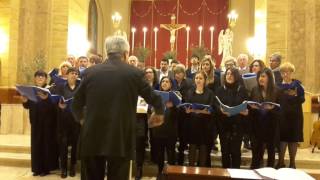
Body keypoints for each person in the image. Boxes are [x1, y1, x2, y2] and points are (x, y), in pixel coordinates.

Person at [71, 36, 164, 180]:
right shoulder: (134, 73)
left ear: (107, 52)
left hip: (92, 134)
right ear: (126, 53)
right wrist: (159, 113)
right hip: (120, 135)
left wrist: (83, 120)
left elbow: (76, 103)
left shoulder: (90, 72)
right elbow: (155, 98)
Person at [21, 70, 59, 176]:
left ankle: (45, 169)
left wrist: (46, 99)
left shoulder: (51, 89)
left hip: (48, 122)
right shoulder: (31, 90)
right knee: (36, 145)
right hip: (35, 121)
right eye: (38, 76)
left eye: (42, 76)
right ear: (35, 78)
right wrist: (24, 101)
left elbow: (55, 106)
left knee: (46, 145)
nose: (40, 78)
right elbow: (27, 106)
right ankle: (37, 168)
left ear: (46, 79)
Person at [215, 68, 248, 168]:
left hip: (237, 125)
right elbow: (216, 104)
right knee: (225, 152)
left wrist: (241, 111)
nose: (229, 76)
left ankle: (235, 174)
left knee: (235, 152)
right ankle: (225, 175)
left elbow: (245, 104)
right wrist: (221, 110)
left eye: (232, 74)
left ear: (236, 76)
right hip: (223, 125)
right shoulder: (220, 89)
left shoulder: (241, 89)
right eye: (227, 74)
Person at [249, 68, 281, 169]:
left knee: (271, 151)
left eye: (263, 76)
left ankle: (270, 172)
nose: (260, 79)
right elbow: (250, 104)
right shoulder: (255, 89)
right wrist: (252, 107)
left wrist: (271, 109)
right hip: (257, 125)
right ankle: (255, 170)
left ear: (269, 78)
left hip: (271, 125)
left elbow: (281, 110)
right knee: (256, 151)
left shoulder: (277, 91)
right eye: (259, 77)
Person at [52, 67, 81, 178]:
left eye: (76, 73)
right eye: (72, 73)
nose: (74, 75)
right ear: (67, 75)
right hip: (63, 121)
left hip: (75, 120)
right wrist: (59, 106)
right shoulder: (60, 87)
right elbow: (54, 100)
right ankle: (63, 168)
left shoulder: (80, 87)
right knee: (63, 145)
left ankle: (72, 166)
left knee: (75, 145)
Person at [277, 62, 305, 169]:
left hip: (295, 116)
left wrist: (296, 95)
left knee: (293, 139)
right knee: (282, 139)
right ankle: (280, 162)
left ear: (292, 72)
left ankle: (292, 163)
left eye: (288, 72)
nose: (285, 74)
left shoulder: (297, 85)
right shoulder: (277, 85)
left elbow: (302, 99)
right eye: (283, 72)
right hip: (281, 116)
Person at [185, 71, 215, 167]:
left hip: (205, 125)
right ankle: (190, 172)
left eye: (201, 78)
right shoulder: (190, 92)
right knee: (192, 148)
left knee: (203, 149)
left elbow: (211, 110)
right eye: (197, 78)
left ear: (205, 80)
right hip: (192, 124)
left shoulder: (210, 93)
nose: (198, 80)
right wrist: (188, 111)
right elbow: (187, 108)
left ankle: (201, 172)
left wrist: (199, 111)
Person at [152, 77, 178, 177]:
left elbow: (179, 115)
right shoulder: (156, 96)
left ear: (171, 84)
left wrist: (173, 106)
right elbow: (151, 110)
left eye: (167, 81)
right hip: (158, 129)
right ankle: (159, 173)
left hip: (170, 131)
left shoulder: (176, 96)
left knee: (171, 154)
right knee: (160, 154)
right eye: (163, 81)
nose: (165, 83)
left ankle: (171, 175)